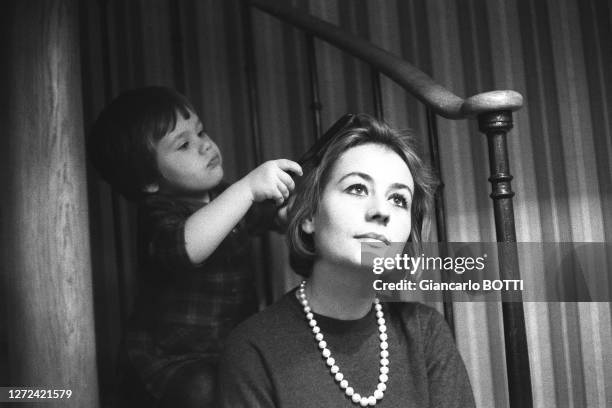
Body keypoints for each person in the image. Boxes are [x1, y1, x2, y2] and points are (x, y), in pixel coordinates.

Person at [218, 113, 475, 407]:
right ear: (309, 215)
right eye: (357, 188)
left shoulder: (426, 333)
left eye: (398, 199)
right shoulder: (253, 349)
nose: (381, 212)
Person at [87, 86, 302, 407]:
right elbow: (185, 248)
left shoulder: (225, 196)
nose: (204, 145)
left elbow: (271, 216)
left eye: (200, 131)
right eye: (184, 144)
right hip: (172, 356)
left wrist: (289, 212)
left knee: (264, 376)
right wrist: (247, 188)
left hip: (226, 346)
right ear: (149, 181)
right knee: (203, 390)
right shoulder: (158, 212)